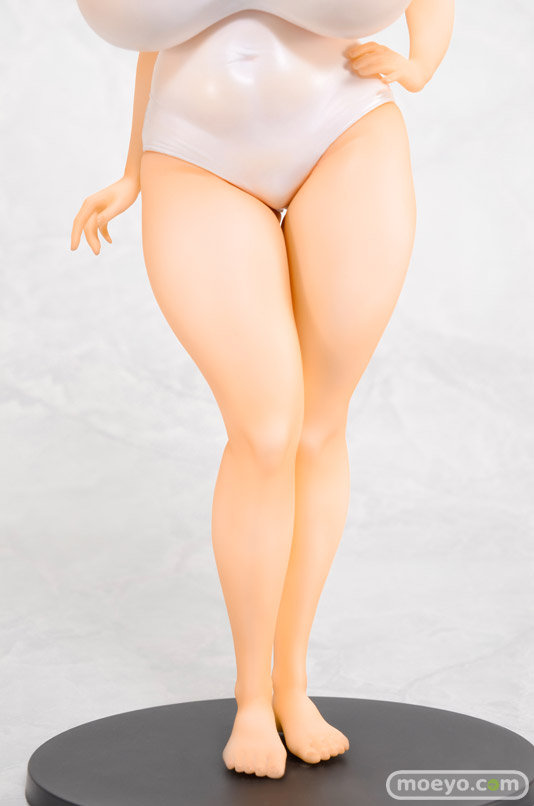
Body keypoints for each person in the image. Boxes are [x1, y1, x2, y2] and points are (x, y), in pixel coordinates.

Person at [71, 0, 455, 780]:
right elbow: (162, 28)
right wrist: (134, 170)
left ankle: (292, 687)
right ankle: (252, 699)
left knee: (317, 427)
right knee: (265, 432)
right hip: (193, 154)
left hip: (346, 131)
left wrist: (419, 64)